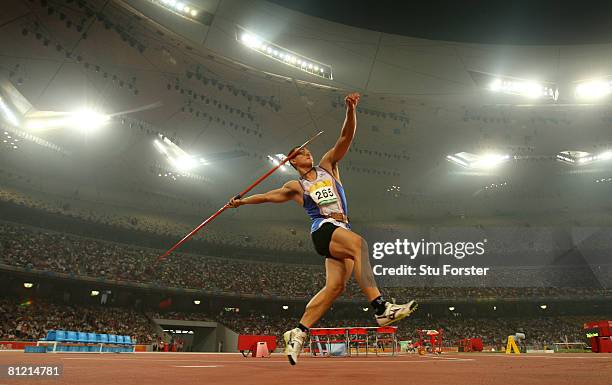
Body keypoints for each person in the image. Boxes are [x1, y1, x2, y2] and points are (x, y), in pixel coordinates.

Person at [228, 92, 417, 365]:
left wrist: (351, 110)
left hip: (341, 228)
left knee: (335, 288)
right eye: (300, 153)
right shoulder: (296, 186)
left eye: (306, 150)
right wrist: (241, 201)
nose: (307, 152)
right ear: (292, 162)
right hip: (323, 229)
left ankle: (298, 331)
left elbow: (345, 138)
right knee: (360, 245)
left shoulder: (328, 166)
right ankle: (381, 308)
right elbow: (268, 196)